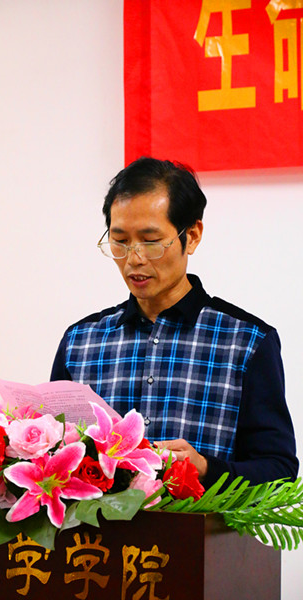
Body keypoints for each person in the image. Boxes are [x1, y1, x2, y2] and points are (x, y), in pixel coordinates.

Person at [50, 157, 298, 489]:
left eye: (151, 240)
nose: (134, 258)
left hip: (202, 523)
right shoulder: (81, 342)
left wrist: (206, 469)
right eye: (120, 241)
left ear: (191, 236)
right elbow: (53, 456)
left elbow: (279, 470)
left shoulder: (246, 342)